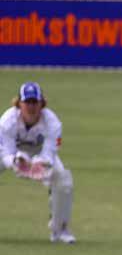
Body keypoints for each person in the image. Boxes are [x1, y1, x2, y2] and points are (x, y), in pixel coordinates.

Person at [0, 82, 75, 244]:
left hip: (40, 153)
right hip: (14, 153)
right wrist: (16, 161)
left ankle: (60, 229)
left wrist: (39, 163)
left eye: (35, 102)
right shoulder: (7, 121)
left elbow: (49, 152)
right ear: (19, 104)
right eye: (27, 102)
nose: (31, 107)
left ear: (42, 104)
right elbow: (5, 152)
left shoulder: (53, 122)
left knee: (63, 180)